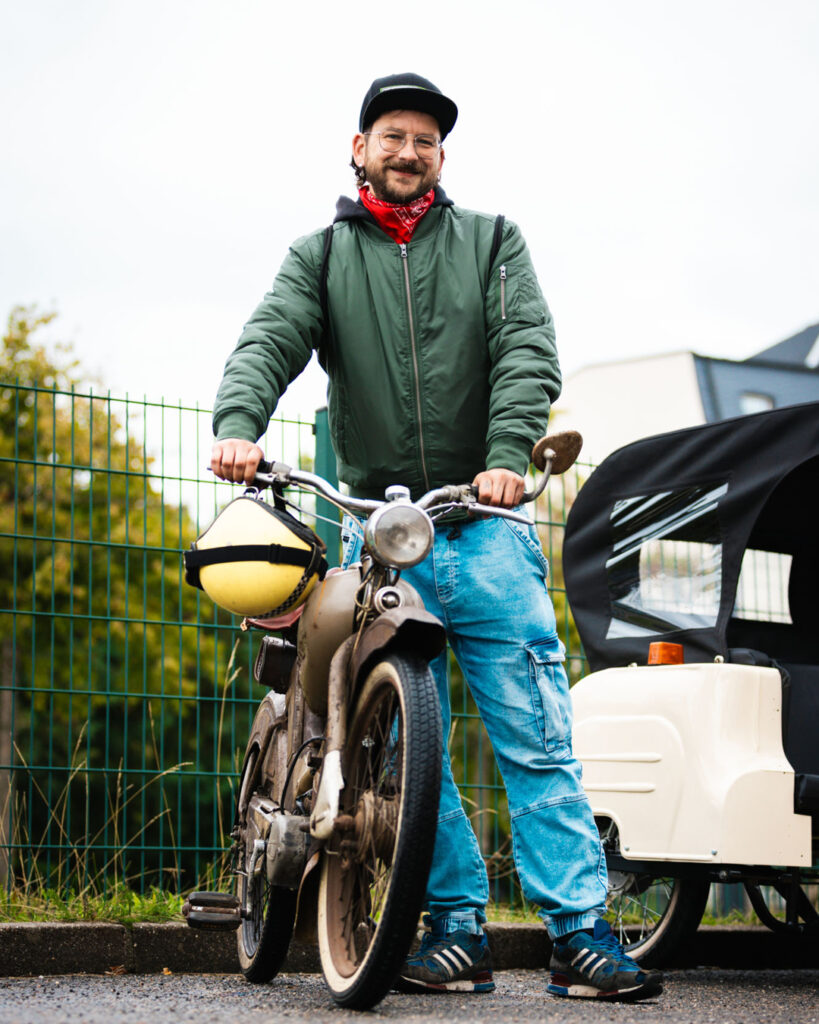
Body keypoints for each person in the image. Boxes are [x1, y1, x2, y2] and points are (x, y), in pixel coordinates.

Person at [210, 72, 663, 1003]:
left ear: (440, 158)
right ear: (358, 148)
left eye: (423, 139)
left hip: (483, 520)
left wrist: (505, 456)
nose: (407, 150)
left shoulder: (492, 242)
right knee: (398, 741)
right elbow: (271, 337)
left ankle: (579, 933)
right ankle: (455, 930)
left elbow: (525, 349)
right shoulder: (322, 256)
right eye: (391, 135)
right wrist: (238, 423)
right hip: (373, 528)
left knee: (534, 734)